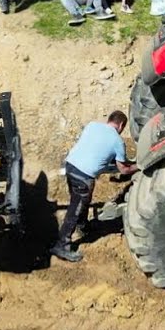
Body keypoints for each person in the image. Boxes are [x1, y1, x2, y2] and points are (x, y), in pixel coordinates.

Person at [50, 111, 137, 262]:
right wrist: (138, 166)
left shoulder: (92, 125)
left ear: (109, 119)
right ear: (122, 125)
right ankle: (61, 245)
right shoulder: (117, 140)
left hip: (70, 166)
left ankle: (83, 226)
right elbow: (123, 169)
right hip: (83, 176)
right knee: (75, 209)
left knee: (81, 200)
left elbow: (95, 148)